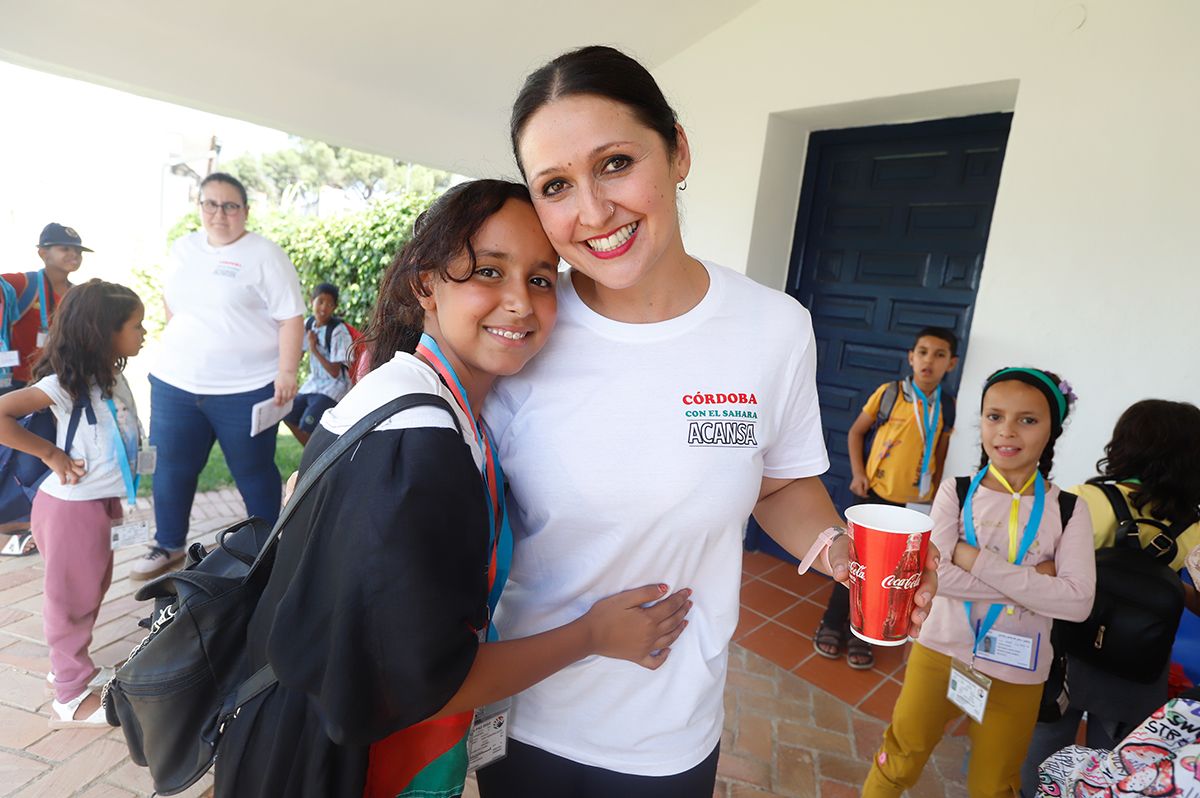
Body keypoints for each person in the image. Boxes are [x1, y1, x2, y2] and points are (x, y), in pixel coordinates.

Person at [474, 46, 939, 797]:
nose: (592, 211)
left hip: (670, 729)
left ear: (678, 151)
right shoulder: (520, 327)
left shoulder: (772, 328)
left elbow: (780, 485)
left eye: (616, 163)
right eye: (556, 185)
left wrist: (855, 565)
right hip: (524, 715)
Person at [213, 180, 693, 798]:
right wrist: (594, 635)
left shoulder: (412, 395)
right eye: (488, 271)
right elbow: (421, 679)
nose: (520, 302)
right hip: (331, 767)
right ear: (426, 285)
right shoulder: (420, 441)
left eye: (542, 280)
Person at [862, 367, 1097, 797]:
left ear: (1052, 430)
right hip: (939, 650)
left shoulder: (1069, 510)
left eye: (1027, 419)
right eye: (994, 416)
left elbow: (1078, 603)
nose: (1007, 431)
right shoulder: (956, 490)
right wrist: (1035, 582)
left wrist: (970, 557)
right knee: (898, 757)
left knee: (995, 785)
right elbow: (936, 577)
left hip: (1018, 670)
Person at [1020, 399, 1200, 795]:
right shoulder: (1193, 525)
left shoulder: (1086, 499)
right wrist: (1166, 583)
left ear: (1125, 445)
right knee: (1119, 760)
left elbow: (1040, 572)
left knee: (1045, 741)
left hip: (1067, 650)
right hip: (1138, 664)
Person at [134, 172, 305, 580]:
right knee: (172, 468)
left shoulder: (265, 254)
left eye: (230, 205)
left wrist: (286, 371)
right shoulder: (183, 248)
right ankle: (168, 543)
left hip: (244, 390)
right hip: (175, 384)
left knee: (254, 471)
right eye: (211, 203)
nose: (219, 213)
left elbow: (291, 317)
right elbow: (172, 303)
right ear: (200, 208)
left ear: (245, 211)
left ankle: (269, 547)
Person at [0, 280, 145, 727]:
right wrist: (49, 454)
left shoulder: (111, 376)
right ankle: (69, 695)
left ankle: (70, 665)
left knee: (92, 588)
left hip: (101, 502)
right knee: (70, 598)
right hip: (70, 508)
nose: (144, 333)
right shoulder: (62, 386)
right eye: (136, 326)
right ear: (104, 332)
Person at [816, 327, 959, 670]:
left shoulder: (948, 406)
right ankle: (834, 623)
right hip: (878, 498)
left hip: (914, 505)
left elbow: (940, 450)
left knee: (894, 575)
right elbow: (856, 431)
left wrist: (937, 495)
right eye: (923, 352)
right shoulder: (890, 393)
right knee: (861, 568)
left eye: (939, 355)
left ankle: (863, 633)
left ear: (951, 364)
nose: (929, 361)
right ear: (911, 357)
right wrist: (858, 473)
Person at [0, 223, 90, 556]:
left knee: (37, 454)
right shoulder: (21, 284)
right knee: (12, 452)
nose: (73, 255)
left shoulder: (77, 295)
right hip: (14, 386)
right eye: (64, 248)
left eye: (78, 250)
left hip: (53, 388)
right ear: (42, 253)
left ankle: (30, 520)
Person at [283, 282, 352, 445]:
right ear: (311, 301)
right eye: (320, 301)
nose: (323, 308)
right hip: (313, 384)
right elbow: (297, 354)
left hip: (334, 387)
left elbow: (335, 372)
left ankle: (316, 462)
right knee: (287, 414)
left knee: (307, 425)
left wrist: (314, 349)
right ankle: (314, 459)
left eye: (329, 304)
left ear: (334, 308)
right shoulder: (308, 325)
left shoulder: (338, 331)